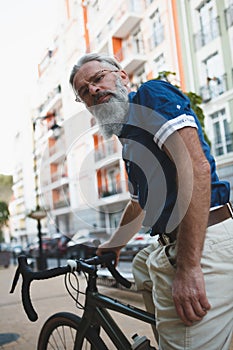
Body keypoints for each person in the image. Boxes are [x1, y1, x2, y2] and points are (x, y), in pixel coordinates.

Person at [69, 52, 233, 349]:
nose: (93, 90)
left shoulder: (149, 97)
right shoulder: (129, 141)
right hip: (178, 241)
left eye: (97, 79)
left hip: (202, 241)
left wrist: (188, 267)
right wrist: (113, 245)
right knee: (145, 265)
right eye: (84, 91)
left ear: (121, 76)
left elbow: (196, 169)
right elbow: (138, 206)